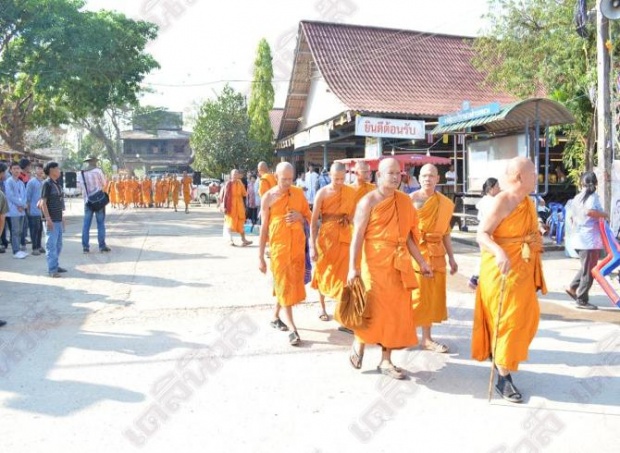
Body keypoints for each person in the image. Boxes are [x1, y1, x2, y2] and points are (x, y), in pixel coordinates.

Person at [347, 158, 432, 379]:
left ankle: (386, 360)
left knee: (394, 312)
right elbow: (357, 237)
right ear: (379, 176)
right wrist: (352, 268)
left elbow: (409, 238)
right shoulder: (368, 202)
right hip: (374, 264)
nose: (395, 177)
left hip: (398, 264)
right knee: (372, 308)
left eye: (398, 173)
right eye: (390, 173)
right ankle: (360, 340)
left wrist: (421, 262)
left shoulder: (404, 201)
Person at [472, 156, 546, 403]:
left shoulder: (527, 202)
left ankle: (502, 356)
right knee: (508, 321)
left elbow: (526, 232)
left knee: (528, 317)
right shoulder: (502, 200)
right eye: (533, 173)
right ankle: (504, 375)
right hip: (501, 269)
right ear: (519, 177)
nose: (537, 177)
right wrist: (500, 251)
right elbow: (482, 235)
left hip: (522, 269)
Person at [258, 162, 312, 346]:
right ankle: (292, 329)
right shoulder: (268, 197)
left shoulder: (298, 193)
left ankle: (275, 317)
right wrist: (260, 257)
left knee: (288, 286)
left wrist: (300, 216)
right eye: (284, 179)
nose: (288, 182)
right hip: (279, 250)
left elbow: (310, 217)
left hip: (297, 249)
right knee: (284, 285)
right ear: (275, 176)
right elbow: (264, 228)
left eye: (291, 179)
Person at [410, 164, 458, 353]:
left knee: (431, 297)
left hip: (436, 253)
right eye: (423, 175)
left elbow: (445, 232)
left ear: (438, 178)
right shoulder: (410, 200)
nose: (427, 179)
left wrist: (452, 258)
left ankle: (427, 339)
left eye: (431, 175)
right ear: (419, 178)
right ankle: (403, 334)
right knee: (416, 296)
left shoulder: (444, 203)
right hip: (416, 253)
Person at [310, 162, 356, 321]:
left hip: (344, 236)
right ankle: (322, 308)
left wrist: (348, 221)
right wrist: (311, 246)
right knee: (323, 270)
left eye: (342, 179)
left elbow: (354, 212)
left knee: (343, 274)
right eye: (336, 179)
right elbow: (313, 221)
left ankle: (340, 310)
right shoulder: (322, 193)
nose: (339, 182)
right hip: (326, 238)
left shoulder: (350, 191)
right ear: (330, 175)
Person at [565, 172, 607, 310]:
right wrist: (604, 215)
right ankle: (582, 299)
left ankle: (572, 287)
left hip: (579, 238)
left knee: (586, 268)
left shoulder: (577, 197)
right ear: (596, 183)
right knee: (589, 271)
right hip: (588, 240)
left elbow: (571, 216)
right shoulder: (592, 197)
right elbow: (589, 212)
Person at [469, 177, 501, 289]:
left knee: (488, 256)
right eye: (497, 186)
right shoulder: (490, 202)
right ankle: (475, 278)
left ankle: (477, 278)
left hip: (486, 232)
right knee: (489, 256)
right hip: (488, 233)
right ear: (491, 189)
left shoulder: (486, 200)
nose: (499, 188)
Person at [78, 156, 110, 253]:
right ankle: (102, 246)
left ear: (87, 162)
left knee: (86, 225)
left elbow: (79, 187)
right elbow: (104, 184)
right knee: (100, 224)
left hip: (88, 201)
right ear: (94, 162)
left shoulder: (81, 173)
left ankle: (85, 247)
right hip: (99, 201)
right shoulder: (98, 171)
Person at [40, 162, 66, 278]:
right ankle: (52, 269)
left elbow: (59, 202)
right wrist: (48, 218)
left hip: (58, 219)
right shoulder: (47, 184)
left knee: (58, 244)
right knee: (51, 245)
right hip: (51, 219)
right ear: (51, 170)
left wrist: (62, 217)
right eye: (57, 168)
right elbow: (43, 203)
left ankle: (55, 265)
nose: (59, 170)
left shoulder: (57, 183)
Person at [220, 169, 252, 246]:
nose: (235, 175)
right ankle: (230, 240)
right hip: (230, 206)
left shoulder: (240, 183)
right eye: (234, 174)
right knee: (229, 223)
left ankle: (244, 240)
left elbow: (244, 194)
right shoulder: (228, 184)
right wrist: (223, 206)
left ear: (238, 175)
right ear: (231, 175)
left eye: (236, 174)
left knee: (240, 223)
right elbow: (224, 196)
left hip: (239, 205)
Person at [5, 162, 28, 258]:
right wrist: (21, 204)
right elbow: (10, 196)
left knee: (20, 231)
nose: (16, 170)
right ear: (10, 170)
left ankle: (18, 249)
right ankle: (16, 251)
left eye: (18, 168)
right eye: (14, 168)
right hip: (13, 210)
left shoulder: (21, 182)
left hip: (21, 211)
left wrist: (22, 205)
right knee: (15, 231)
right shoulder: (9, 181)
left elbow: (24, 196)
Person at [25, 163, 45, 256]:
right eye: (38, 168)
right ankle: (34, 248)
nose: (40, 170)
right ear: (34, 170)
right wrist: (28, 209)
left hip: (42, 210)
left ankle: (39, 246)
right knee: (34, 229)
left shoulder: (44, 182)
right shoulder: (31, 182)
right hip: (33, 210)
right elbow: (27, 197)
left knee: (40, 229)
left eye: (41, 168)